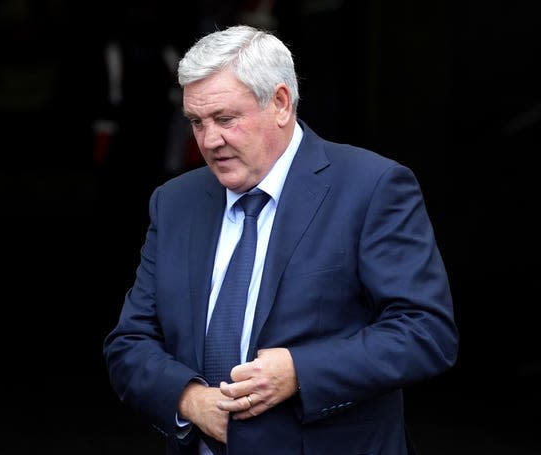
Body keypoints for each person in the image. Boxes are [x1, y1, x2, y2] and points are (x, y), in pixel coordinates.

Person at [103, 24, 459, 455]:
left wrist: (299, 371)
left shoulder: (371, 187)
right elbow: (130, 343)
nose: (209, 140)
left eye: (225, 119)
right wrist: (189, 399)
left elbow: (427, 332)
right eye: (196, 122)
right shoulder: (175, 202)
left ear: (280, 103)